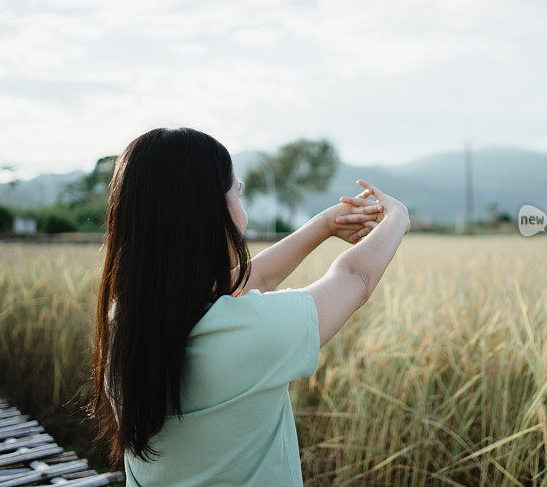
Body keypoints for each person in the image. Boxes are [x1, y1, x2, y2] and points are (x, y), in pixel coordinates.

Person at [87, 127, 410, 486]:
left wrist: (323, 226)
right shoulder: (249, 333)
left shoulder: (126, 320)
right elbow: (356, 278)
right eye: (238, 194)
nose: (244, 214)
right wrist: (397, 217)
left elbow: (251, 281)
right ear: (209, 213)